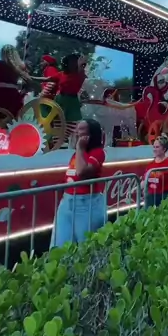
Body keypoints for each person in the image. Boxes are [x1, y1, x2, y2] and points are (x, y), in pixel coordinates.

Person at [51, 119, 106, 247]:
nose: (76, 132)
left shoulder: (98, 153)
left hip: (86, 203)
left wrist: (80, 148)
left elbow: (81, 172)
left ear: (91, 133)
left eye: (81, 129)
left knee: (86, 245)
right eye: (77, 129)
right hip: (67, 202)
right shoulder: (76, 154)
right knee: (60, 245)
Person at [0, 45, 34, 119]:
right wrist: (22, 93)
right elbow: (29, 82)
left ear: (2, 54)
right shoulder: (19, 67)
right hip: (13, 97)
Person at [55, 54, 87, 143]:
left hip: (72, 101)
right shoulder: (62, 74)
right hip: (61, 100)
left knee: (71, 124)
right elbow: (48, 79)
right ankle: (56, 142)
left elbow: (81, 71)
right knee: (58, 123)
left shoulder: (80, 74)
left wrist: (81, 63)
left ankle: (60, 141)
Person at [141, 134, 168, 208]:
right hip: (150, 198)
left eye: (157, 147)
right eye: (154, 147)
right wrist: (137, 188)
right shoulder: (150, 165)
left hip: (164, 198)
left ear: (164, 149)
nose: (154, 149)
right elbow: (145, 181)